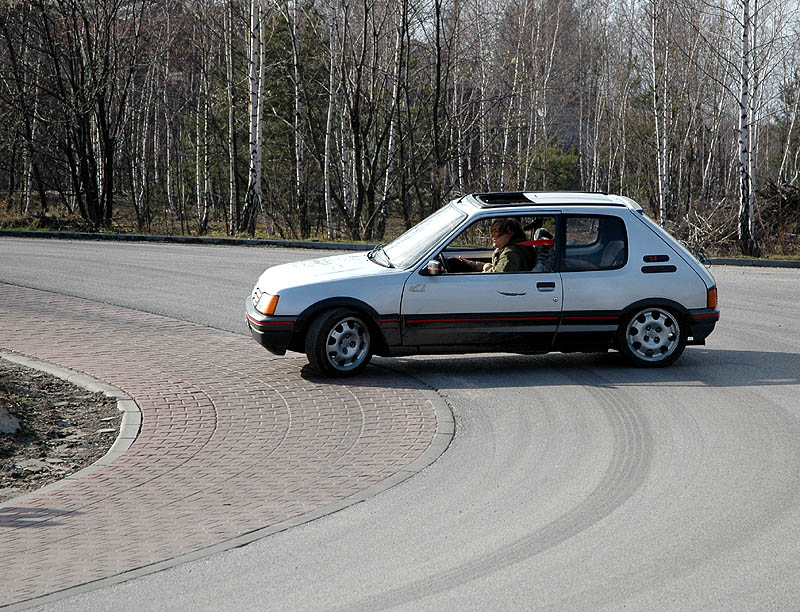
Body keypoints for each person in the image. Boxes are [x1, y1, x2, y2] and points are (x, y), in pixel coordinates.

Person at [457, 218, 535, 273]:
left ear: (509, 232)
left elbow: (496, 276)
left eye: (496, 231)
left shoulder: (511, 254)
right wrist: (472, 264)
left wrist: (484, 268)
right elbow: (496, 269)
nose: (492, 236)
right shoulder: (507, 249)